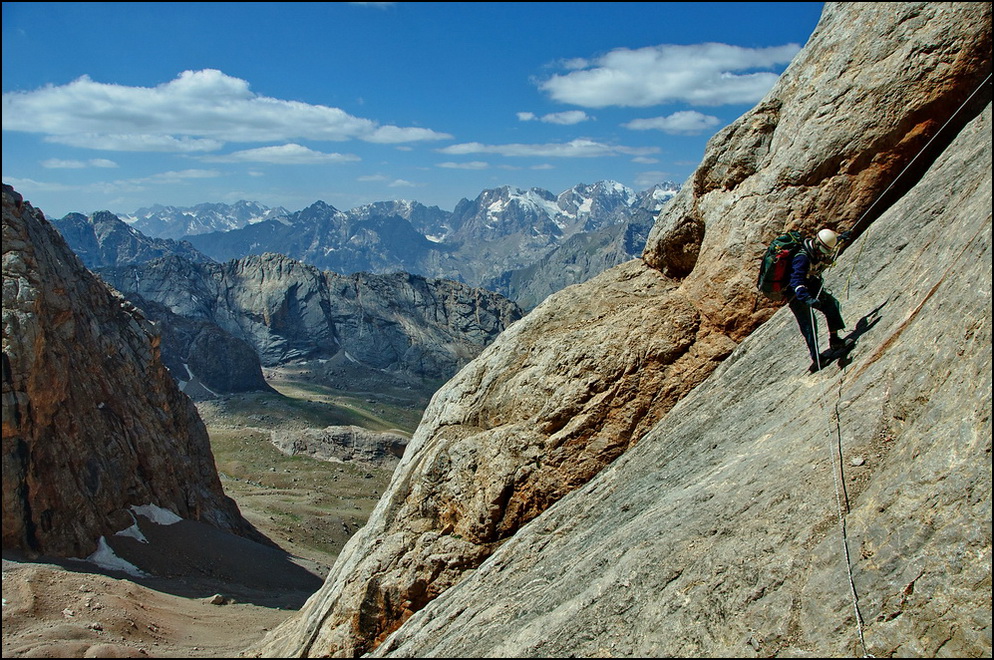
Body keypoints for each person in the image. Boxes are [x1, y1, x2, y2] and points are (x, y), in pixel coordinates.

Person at [787, 228, 850, 372]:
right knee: (809, 325)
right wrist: (806, 299)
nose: (823, 254)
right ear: (816, 244)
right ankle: (817, 359)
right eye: (823, 251)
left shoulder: (818, 248)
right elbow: (796, 281)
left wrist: (842, 238)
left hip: (810, 284)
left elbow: (831, 244)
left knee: (831, 305)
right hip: (795, 294)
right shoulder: (801, 258)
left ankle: (835, 340)